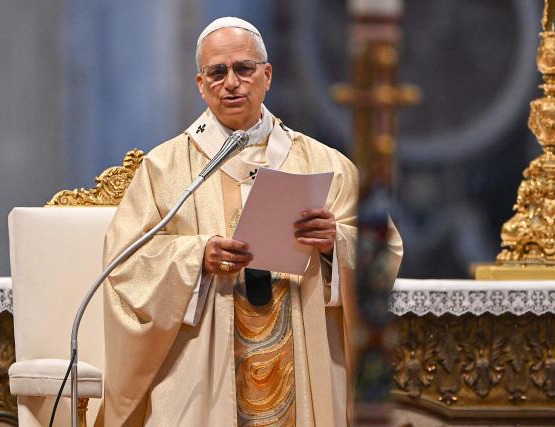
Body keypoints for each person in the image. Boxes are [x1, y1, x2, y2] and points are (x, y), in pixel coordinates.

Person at [98, 17, 403, 427]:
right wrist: (196, 257)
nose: (231, 83)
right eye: (217, 72)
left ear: (267, 75)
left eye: (244, 68)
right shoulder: (164, 169)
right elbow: (125, 265)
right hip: (201, 364)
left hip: (303, 357)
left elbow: (384, 251)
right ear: (200, 84)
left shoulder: (327, 165)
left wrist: (336, 243)